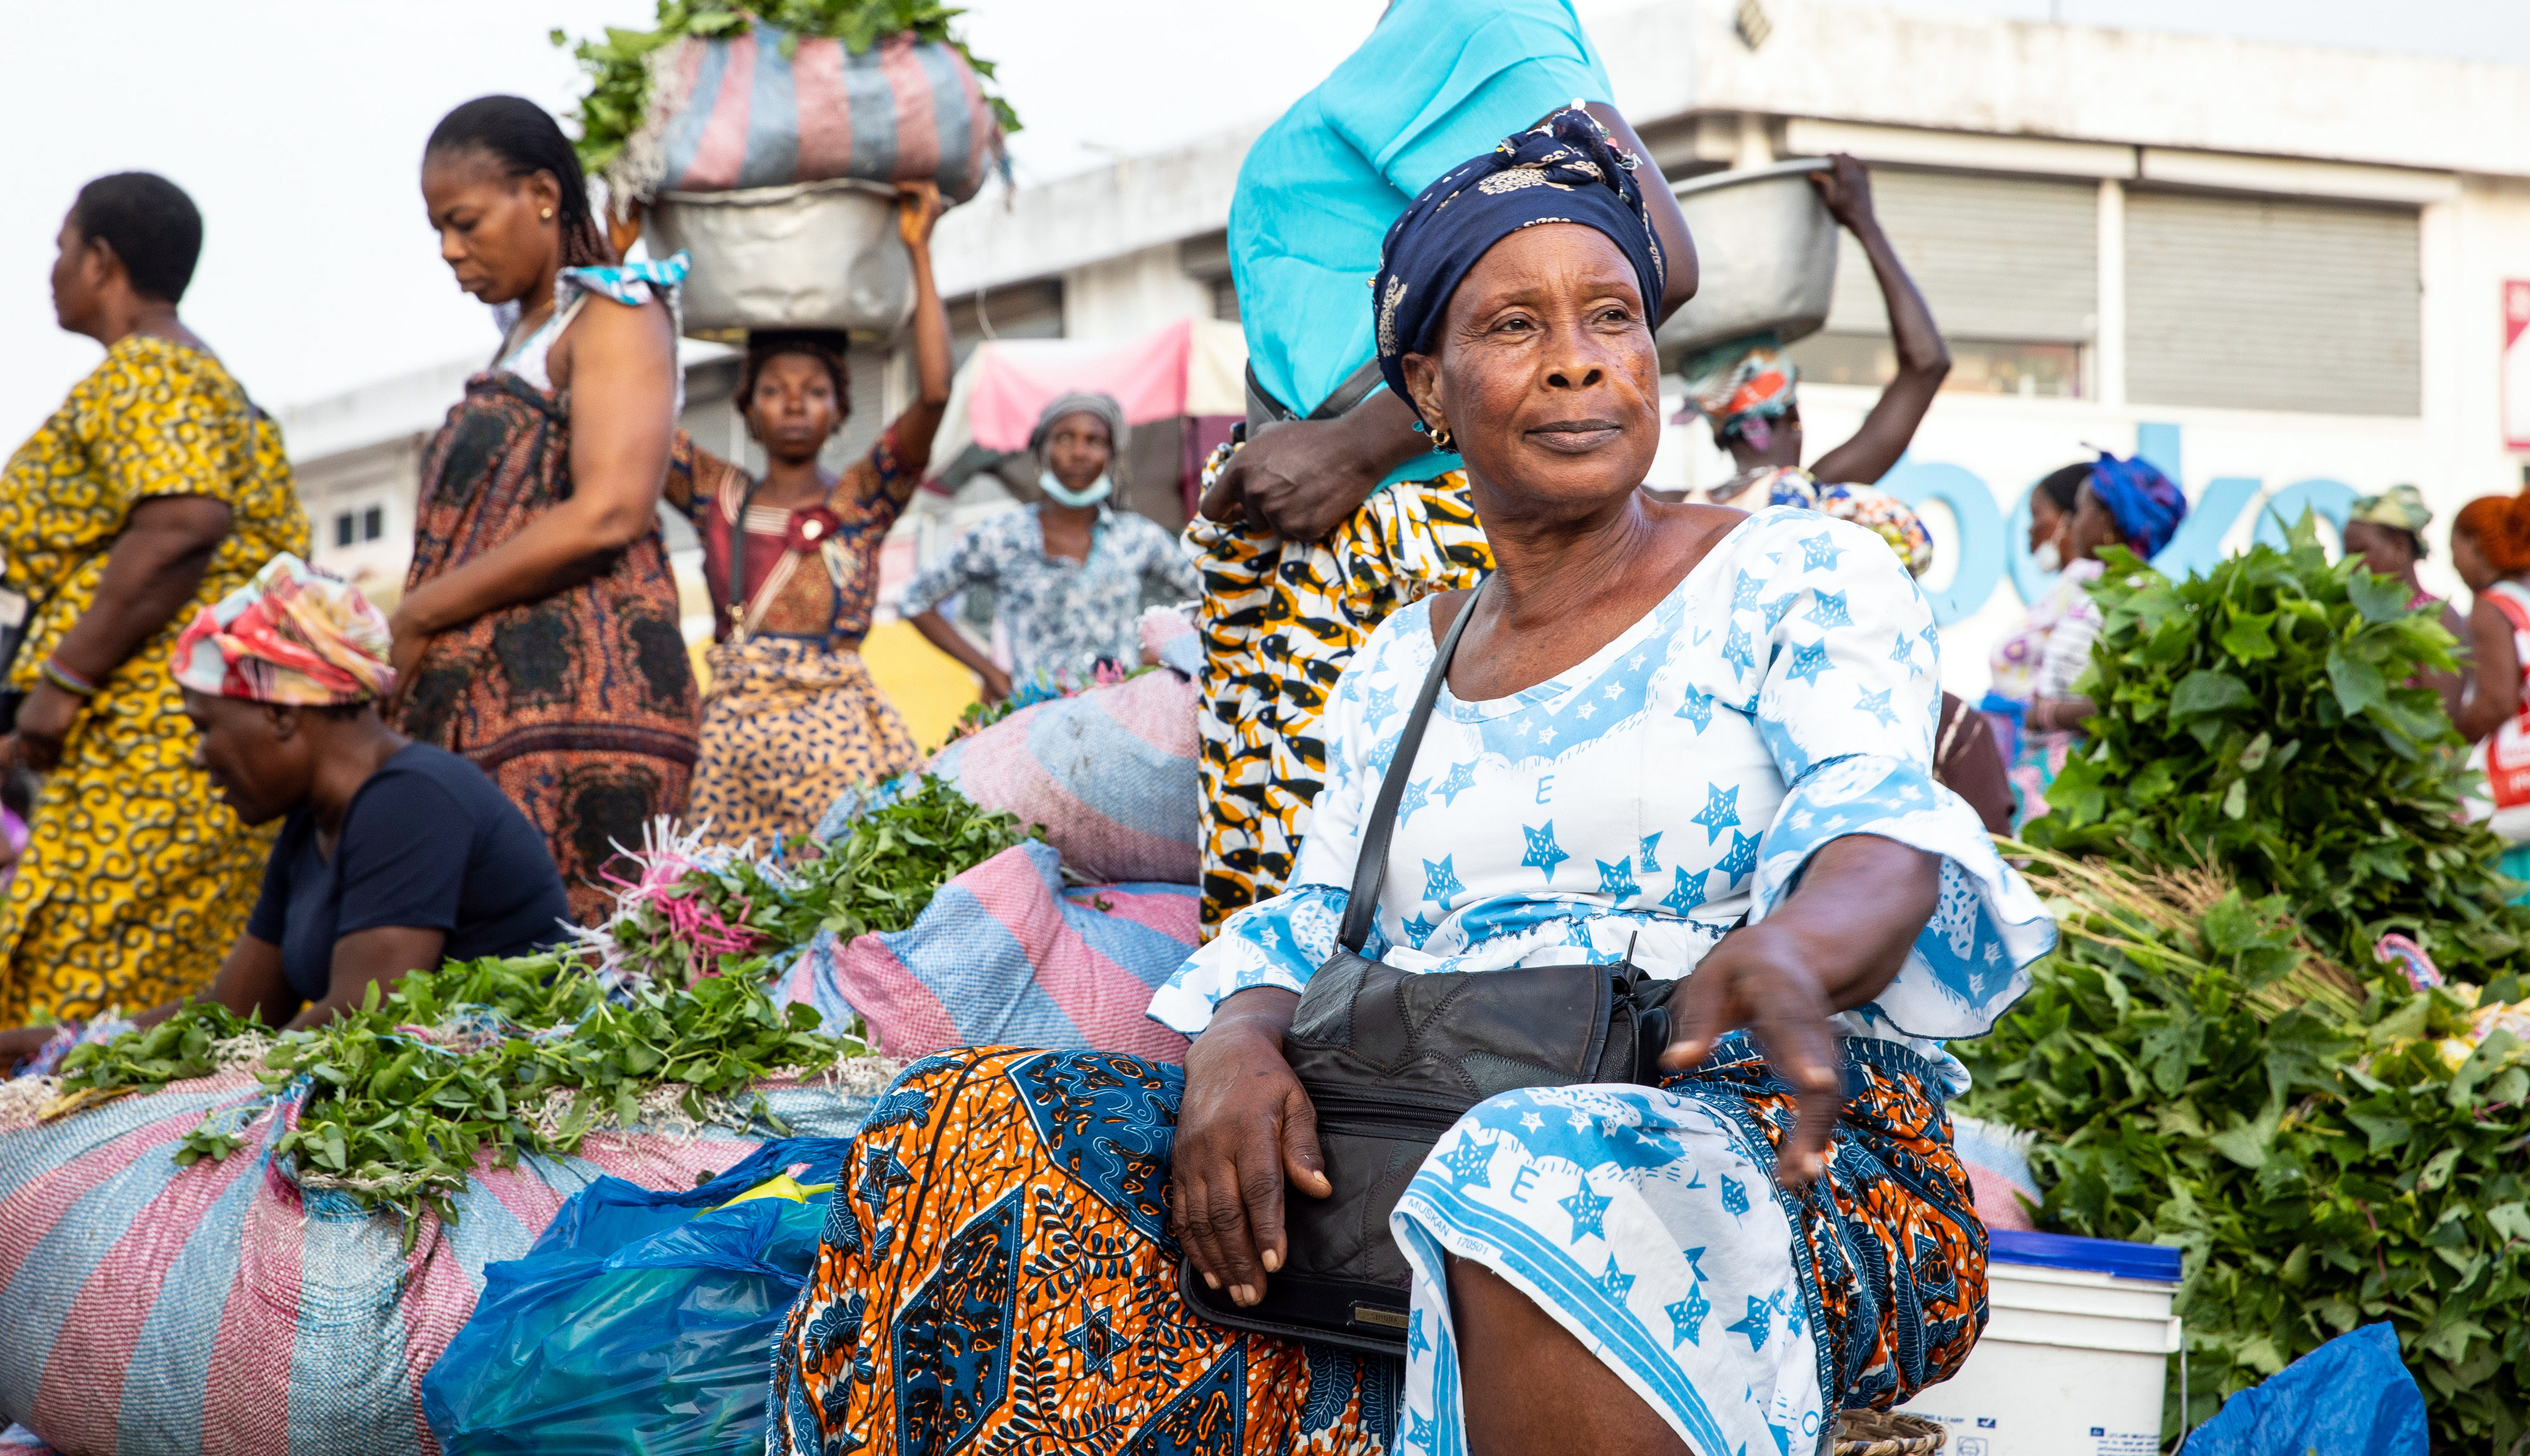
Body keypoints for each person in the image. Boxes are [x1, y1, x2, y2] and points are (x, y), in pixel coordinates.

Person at [767, 109, 2052, 1456]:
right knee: (971, 1121)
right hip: (1420, 1109)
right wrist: (1233, 1043)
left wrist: (1796, 946)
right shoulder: (1407, 656)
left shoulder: (1795, 572)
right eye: (1512, 328)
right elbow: (1316, 913)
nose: (1575, 363)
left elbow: (1872, 818)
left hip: (1757, 1131)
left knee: (1527, 1172)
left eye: (1610, 317)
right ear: (1426, 393)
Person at [1188, 0, 1698, 936]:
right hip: (1353, 533)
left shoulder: (1477, 13)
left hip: (1411, 541)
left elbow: (1648, 247)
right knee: (1306, 947)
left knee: (1394, 952)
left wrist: (1357, 445)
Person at [0, 557, 569, 1064]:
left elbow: (359, 1022)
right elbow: (233, 1012)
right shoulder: (309, 825)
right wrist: (62, 1047)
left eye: (205, 728)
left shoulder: (410, 800)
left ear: (278, 713)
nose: (199, 759)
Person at [0, 172, 311, 1034]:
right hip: (176, 741)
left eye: (62, 248)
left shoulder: (152, 371)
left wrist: (65, 676)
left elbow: (182, 521)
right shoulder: (210, 381)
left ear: (103, 261)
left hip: (152, 758)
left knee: (89, 1017)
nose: (51, 270)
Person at [394, 96, 699, 923]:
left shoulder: (617, 311)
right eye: (437, 232)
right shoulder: (522, 336)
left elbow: (609, 511)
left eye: (463, 222)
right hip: (496, 710)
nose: (451, 252)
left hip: (577, 722)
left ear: (540, 193)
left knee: (566, 993)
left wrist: (421, 612)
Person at [663, 188, 953, 849]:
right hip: (732, 757)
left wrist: (918, 248)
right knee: (723, 920)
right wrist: (622, 260)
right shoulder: (717, 495)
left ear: (839, 410)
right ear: (747, 408)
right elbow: (636, 416)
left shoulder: (862, 499)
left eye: (814, 391)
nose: (794, 404)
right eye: (774, 390)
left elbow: (934, 394)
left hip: (839, 750)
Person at [1682, 154, 1949, 511]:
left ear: (1713, 426)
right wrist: (1863, 222)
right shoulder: (1807, 501)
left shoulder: (1673, 513)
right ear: (1793, 417)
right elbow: (1927, 365)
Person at [899, 392, 1200, 697]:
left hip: (1122, 718)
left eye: (1094, 441)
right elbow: (915, 600)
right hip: (1034, 724)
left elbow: (1213, 595)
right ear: (1042, 450)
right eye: (1065, 438)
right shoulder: (1002, 536)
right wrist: (991, 673)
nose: (1079, 453)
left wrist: (1158, 652)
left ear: (1112, 454)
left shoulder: (1137, 537)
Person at [2023, 453, 2187, 743]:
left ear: (2109, 520)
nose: (2073, 524)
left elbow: (2137, 704)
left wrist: (2049, 714)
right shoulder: (2090, 589)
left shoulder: (2142, 598)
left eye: (2080, 511)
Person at [1984, 462, 2095, 822]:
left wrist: (2041, 713)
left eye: (2037, 515)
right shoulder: (2067, 591)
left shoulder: (2089, 588)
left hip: (2052, 777)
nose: (2030, 530)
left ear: (2071, 518)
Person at [2451, 494, 2530, 898]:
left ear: (2476, 546)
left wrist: (2449, 743)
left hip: (2511, 787)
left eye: (2455, 550)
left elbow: (2497, 702)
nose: (2454, 564)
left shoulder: (2492, 606)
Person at [2345, 484, 2467, 720]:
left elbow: (2441, 715)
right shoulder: (2355, 616)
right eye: (2348, 553)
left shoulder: (2434, 617)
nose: (2351, 564)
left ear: (2400, 547)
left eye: (2360, 551)